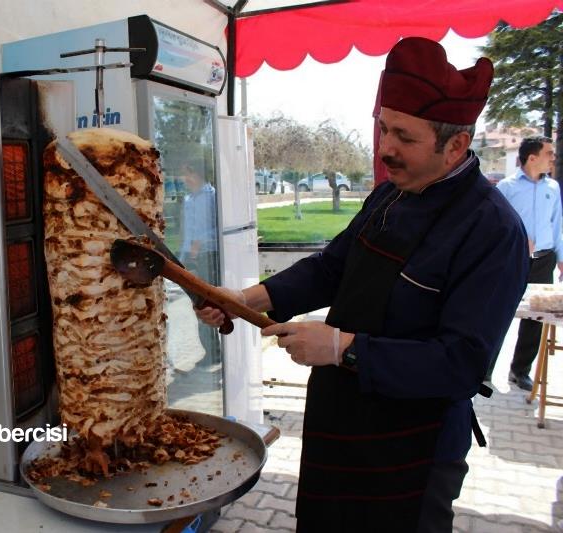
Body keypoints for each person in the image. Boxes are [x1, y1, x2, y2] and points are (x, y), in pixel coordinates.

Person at [197, 37, 529, 532]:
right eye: (382, 128)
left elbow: (461, 364)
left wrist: (342, 348)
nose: (385, 148)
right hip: (339, 424)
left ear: (456, 144)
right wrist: (246, 299)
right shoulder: (389, 196)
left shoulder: (493, 230)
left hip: (411, 452)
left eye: (404, 136)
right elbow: (333, 268)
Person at [488, 137, 560, 390]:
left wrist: (561, 259)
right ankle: (484, 369)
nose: (553, 157)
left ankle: (520, 371)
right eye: (549, 153)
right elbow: (492, 224)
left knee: (536, 320)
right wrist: (516, 239)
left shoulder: (553, 188)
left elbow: (557, 225)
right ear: (532, 157)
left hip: (543, 260)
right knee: (498, 313)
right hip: (512, 259)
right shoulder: (506, 188)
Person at [179, 161, 219, 368]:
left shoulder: (212, 197)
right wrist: (182, 255)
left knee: (207, 304)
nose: (184, 179)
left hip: (206, 256)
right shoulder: (188, 199)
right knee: (197, 305)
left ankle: (215, 352)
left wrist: (201, 241)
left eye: (187, 174)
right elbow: (185, 231)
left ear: (197, 174)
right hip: (190, 257)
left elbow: (220, 229)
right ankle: (211, 351)